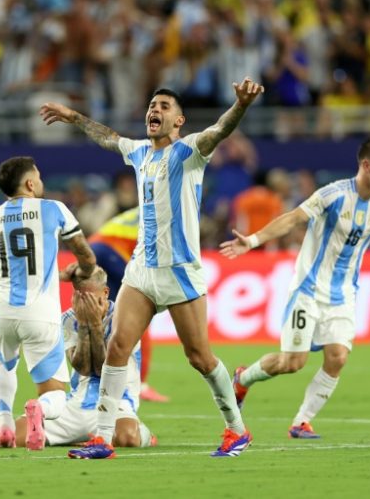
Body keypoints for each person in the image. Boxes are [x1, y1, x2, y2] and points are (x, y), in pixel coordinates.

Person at [40, 77, 264, 458]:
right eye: (151, 106)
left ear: (179, 120)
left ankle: (236, 431)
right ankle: (103, 439)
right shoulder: (140, 152)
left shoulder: (191, 151)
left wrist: (240, 105)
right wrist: (73, 116)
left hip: (179, 272)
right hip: (142, 270)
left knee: (200, 358)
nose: (153, 111)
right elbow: (108, 137)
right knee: (118, 347)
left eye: (163, 107)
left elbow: (220, 130)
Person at [219, 138, 370, 438]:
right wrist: (254, 241)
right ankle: (243, 378)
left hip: (343, 295)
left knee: (338, 357)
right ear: (367, 165)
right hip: (308, 289)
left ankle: (301, 421)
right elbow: (293, 218)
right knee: (292, 362)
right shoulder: (334, 194)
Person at [0, 156, 96, 450]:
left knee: (3, 363)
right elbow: (87, 256)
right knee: (56, 394)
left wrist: (55, 274)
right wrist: (79, 272)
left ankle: (4, 422)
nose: (42, 182)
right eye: (39, 177)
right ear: (30, 184)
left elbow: (16, 267)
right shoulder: (54, 209)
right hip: (40, 314)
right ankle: (38, 411)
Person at [13, 266, 156, 450]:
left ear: (105, 293)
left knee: (128, 438)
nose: (85, 305)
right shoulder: (68, 319)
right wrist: (82, 325)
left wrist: (95, 325)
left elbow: (101, 369)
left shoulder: (125, 319)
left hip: (117, 402)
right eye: (80, 298)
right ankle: (78, 436)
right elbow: (83, 368)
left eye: (91, 299)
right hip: (77, 403)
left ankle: (145, 434)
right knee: (17, 437)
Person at [88, 207, 169, 403]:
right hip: (111, 251)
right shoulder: (165, 212)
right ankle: (140, 385)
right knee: (138, 316)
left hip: (94, 248)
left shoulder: (147, 205)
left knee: (107, 313)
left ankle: (96, 378)